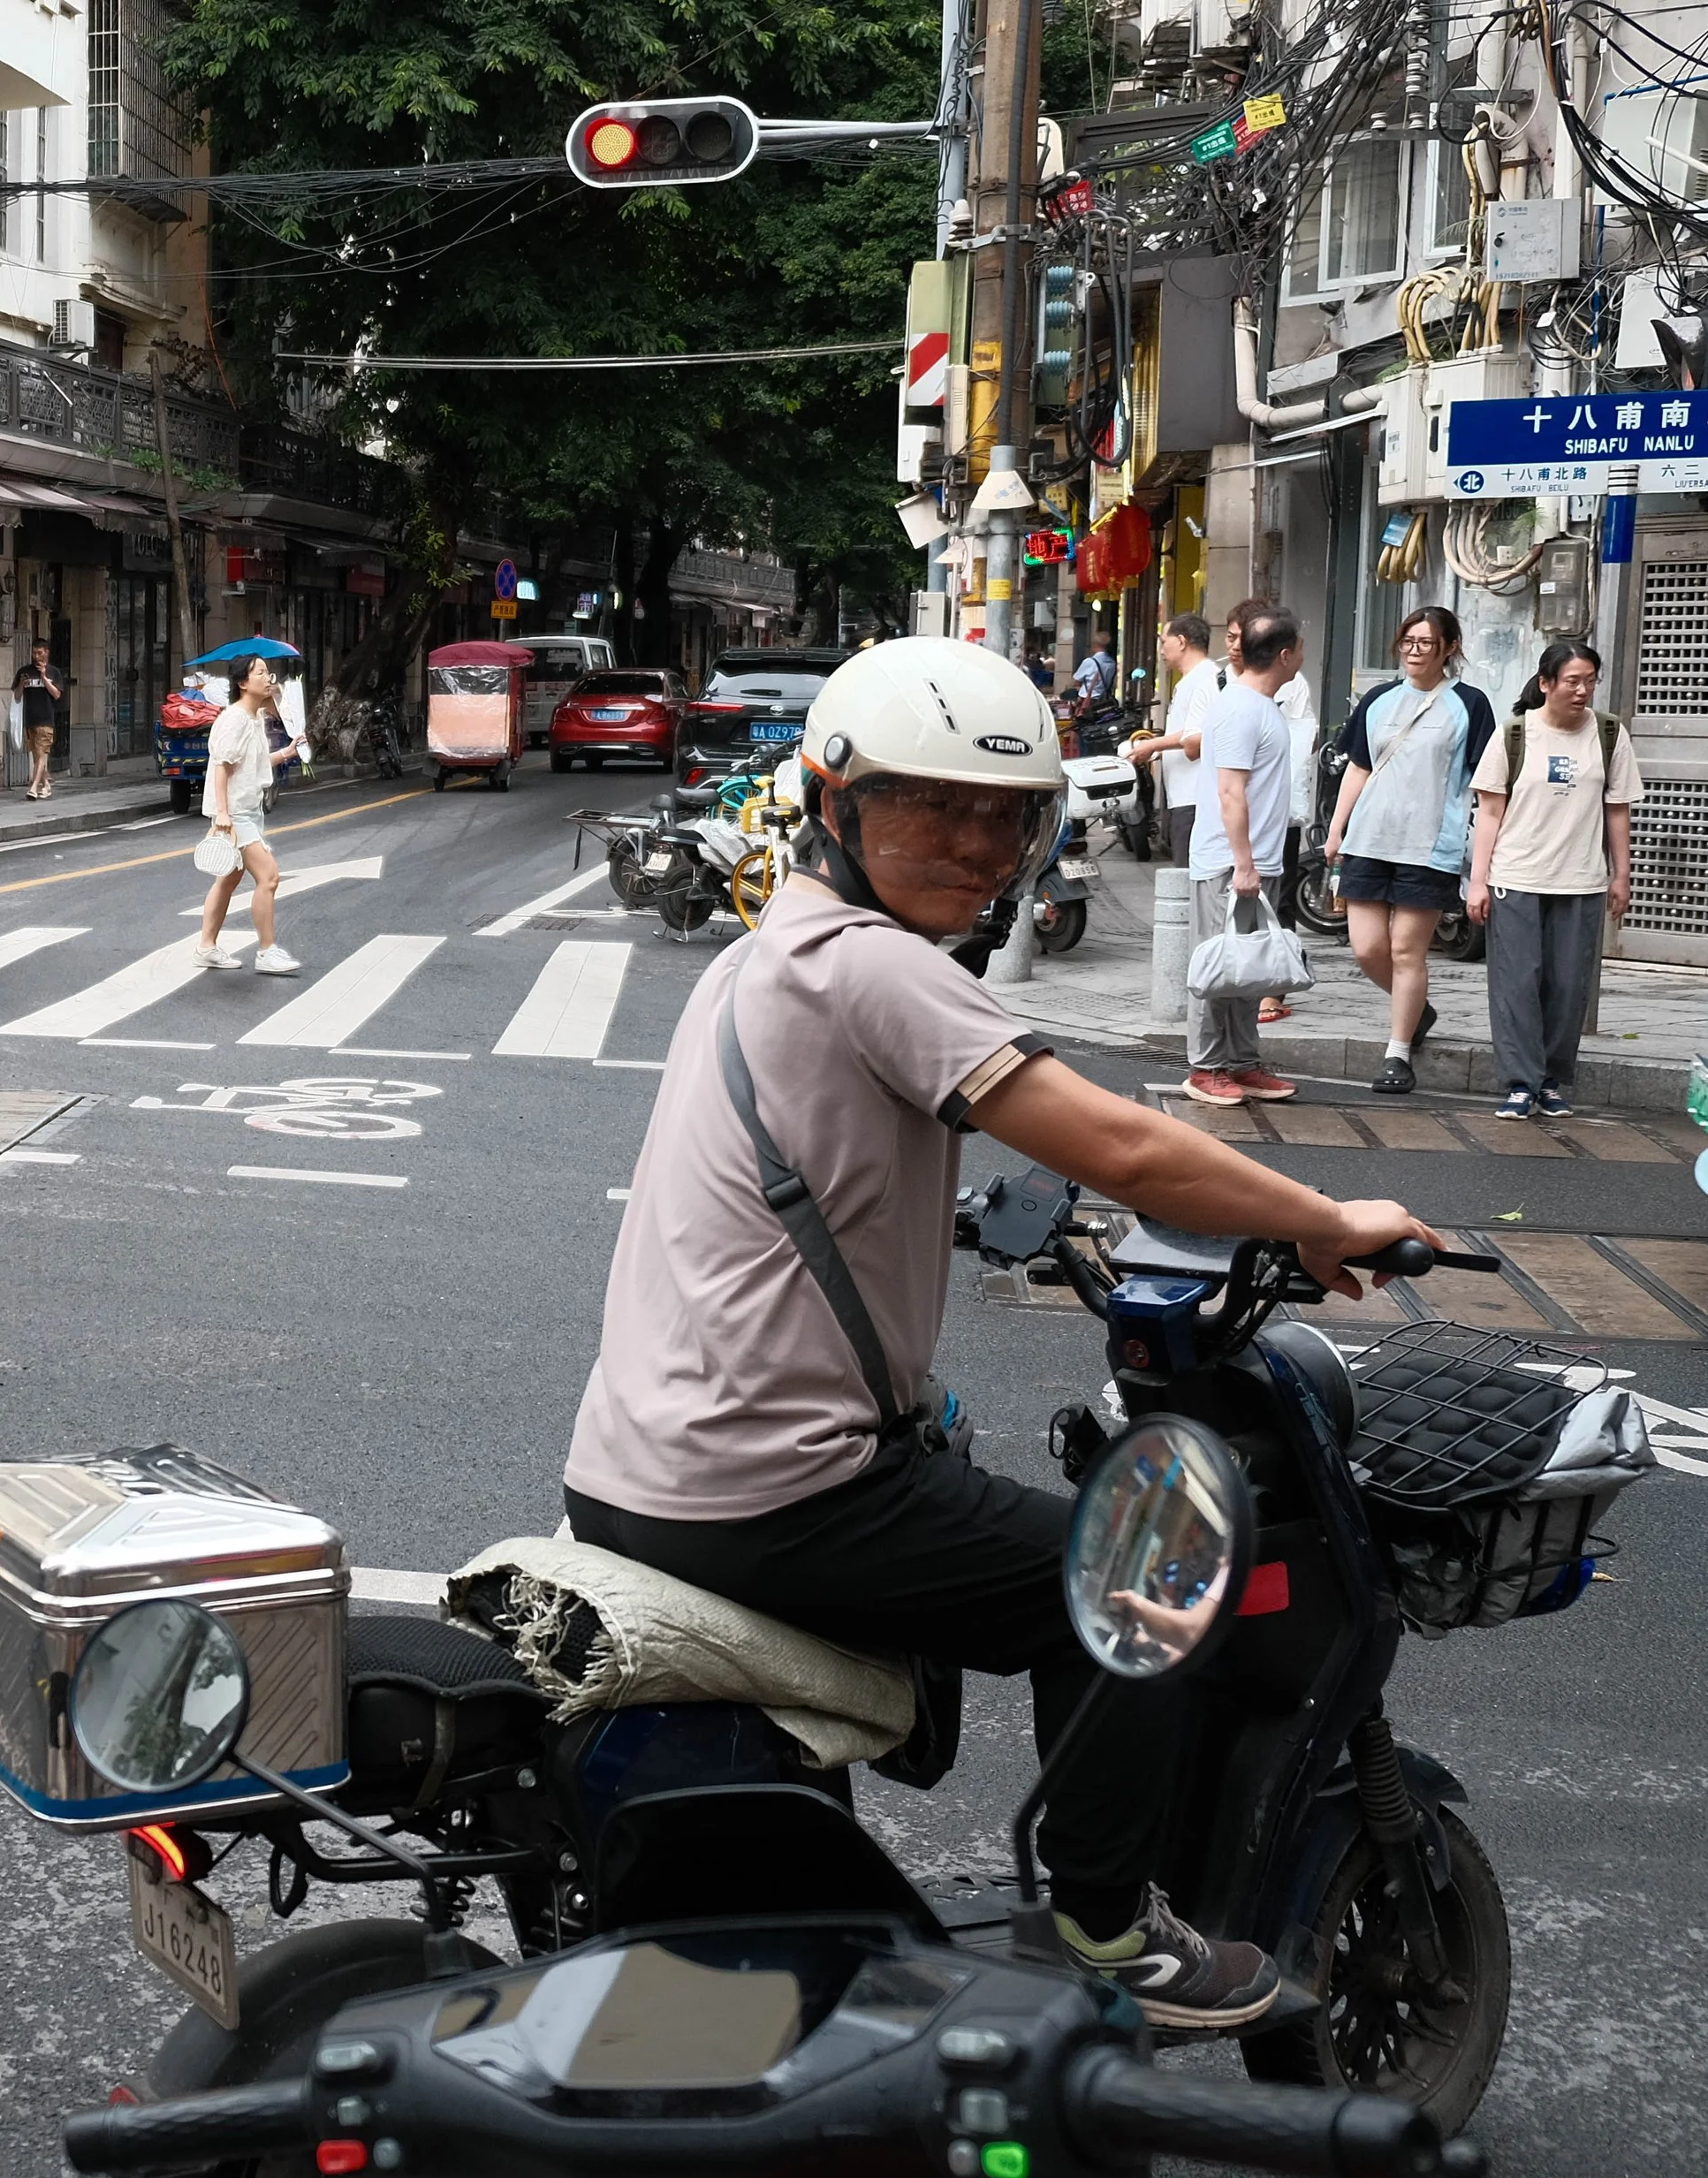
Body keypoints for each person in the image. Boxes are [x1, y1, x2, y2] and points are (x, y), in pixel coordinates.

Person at [562, 634, 1438, 2029]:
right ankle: (1107, 1928)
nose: (977, 844)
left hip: (634, 1470)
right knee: (1143, 1579)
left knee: (970, 1471)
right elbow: (1127, 1151)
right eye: (932, 805)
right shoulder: (875, 971)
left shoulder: (761, 958)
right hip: (770, 1490)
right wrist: (1324, 1220)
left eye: (1007, 814)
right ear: (833, 802)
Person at [1323, 607, 1497, 1095]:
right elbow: (1358, 766)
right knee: (1367, 948)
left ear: (1449, 648)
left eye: (1425, 643)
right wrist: (1336, 830)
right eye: (1408, 642)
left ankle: (1398, 1054)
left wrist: (1483, 857)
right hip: (1369, 839)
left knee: (1406, 950)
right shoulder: (1379, 700)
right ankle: (1416, 1007)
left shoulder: (1470, 704)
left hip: (1428, 845)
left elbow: (1485, 783)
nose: (1414, 651)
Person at [1467, 641, 1639, 1120]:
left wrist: (1621, 874)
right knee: (1517, 983)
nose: (1582, 691)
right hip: (1517, 876)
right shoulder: (1515, 735)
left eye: (1590, 681)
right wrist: (1478, 882)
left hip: (1581, 880)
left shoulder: (1608, 734)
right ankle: (1520, 1082)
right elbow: (1490, 812)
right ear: (1546, 684)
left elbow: (1617, 810)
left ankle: (1551, 1081)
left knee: (1568, 988)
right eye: (1572, 681)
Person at [1181, 610, 1305, 1106]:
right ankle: (1206, 1067)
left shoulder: (1261, 704)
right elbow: (1231, 792)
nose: (1301, 656)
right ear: (1284, 654)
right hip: (1229, 863)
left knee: (1248, 969)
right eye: (1299, 648)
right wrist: (1244, 863)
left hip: (1257, 860)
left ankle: (1242, 1062)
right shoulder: (1239, 708)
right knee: (1218, 965)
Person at [195, 654, 305, 975]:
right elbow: (221, 767)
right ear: (243, 683)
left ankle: (206, 946)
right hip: (236, 815)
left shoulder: (254, 717)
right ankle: (267, 950)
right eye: (260, 673)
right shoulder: (235, 720)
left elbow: (252, 764)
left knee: (228, 880)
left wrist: (286, 752)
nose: (268, 677)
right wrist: (223, 816)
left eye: (268, 672)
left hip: (248, 810)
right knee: (269, 877)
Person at [1127, 612, 1218, 866]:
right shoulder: (1192, 680)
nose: (1161, 650)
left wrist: (1154, 744)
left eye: (1163, 641)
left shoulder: (1206, 679)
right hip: (1184, 795)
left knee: (1190, 877)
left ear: (1181, 641)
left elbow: (1197, 735)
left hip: (1196, 795)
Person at [11, 640, 65, 801]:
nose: (36, 656)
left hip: (46, 719)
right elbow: (17, 696)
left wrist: (44, 678)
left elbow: (57, 694)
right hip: (29, 719)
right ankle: (46, 785)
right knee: (36, 755)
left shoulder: (54, 672)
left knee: (41, 755)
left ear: (47, 652)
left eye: (40, 653)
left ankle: (34, 787)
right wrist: (21, 684)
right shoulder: (24, 671)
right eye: (34, 653)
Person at [1072, 627, 1117, 713]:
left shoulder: (1089, 662)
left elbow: (1075, 682)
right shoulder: (1112, 663)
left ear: (1095, 645)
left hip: (1088, 701)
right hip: (1105, 701)